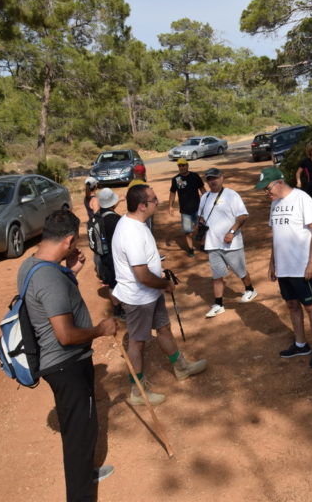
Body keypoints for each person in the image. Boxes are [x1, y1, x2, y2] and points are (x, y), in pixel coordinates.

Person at [17, 209, 117, 501]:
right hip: (66, 365)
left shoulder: (31, 265)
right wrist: (99, 329)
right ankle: (81, 494)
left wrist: (70, 272)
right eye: (73, 245)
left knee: (83, 426)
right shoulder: (50, 279)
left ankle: (85, 474)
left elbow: (46, 302)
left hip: (59, 364)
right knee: (78, 434)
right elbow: (66, 335)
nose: (74, 250)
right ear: (69, 239)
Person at [111, 184, 207, 405]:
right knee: (137, 342)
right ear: (142, 206)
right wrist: (164, 283)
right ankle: (137, 390)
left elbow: (145, 267)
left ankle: (181, 367)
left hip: (149, 294)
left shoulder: (137, 223)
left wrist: (159, 273)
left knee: (163, 328)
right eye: (154, 200)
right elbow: (142, 276)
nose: (158, 202)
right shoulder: (131, 233)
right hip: (138, 298)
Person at [255, 167, 312, 368]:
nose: (266, 193)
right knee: (292, 305)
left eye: (267, 188)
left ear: (279, 182)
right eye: (263, 190)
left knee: (310, 306)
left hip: (301, 266)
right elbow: (276, 235)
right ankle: (300, 343)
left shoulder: (301, 198)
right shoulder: (274, 203)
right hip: (283, 266)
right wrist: (272, 261)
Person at [198, 167, 257, 318]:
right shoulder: (204, 198)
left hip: (231, 243)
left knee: (239, 270)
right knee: (217, 275)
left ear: (222, 178)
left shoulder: (232, 195)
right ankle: (219, 304)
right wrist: (201, 224)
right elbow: (201, 217)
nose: (212, 182)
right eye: (209, 179)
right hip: (212, 243)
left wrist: (231, 232)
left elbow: (243, 216)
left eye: (215, 178)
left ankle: (250, 289)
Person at [93, 187, 124, 319]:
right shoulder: (116, 220)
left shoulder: (97, 217)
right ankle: (123, 308)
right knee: (121, 282)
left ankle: (116, 308)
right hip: (116, 257)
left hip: (103, 255)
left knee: (111, 282)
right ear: (113, 203)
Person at [168, 158, 205, 257]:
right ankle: (190, 249)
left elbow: (202, 189)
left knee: (201, 228)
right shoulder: (176, 179)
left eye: (183, 165)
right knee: (188, 231)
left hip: (198, 208)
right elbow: (172, 193)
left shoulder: (195, 176)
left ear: (187, 165)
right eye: (180, 166)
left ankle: (202, 245)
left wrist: (207, 201)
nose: (182, 167)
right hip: (185, 211)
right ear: (178, 167)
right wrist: (170, 206)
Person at [295, 141, 312, 214]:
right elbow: (298, 173)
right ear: (309, 151)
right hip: (310, 186)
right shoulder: (305, 162)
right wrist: (299, 182)